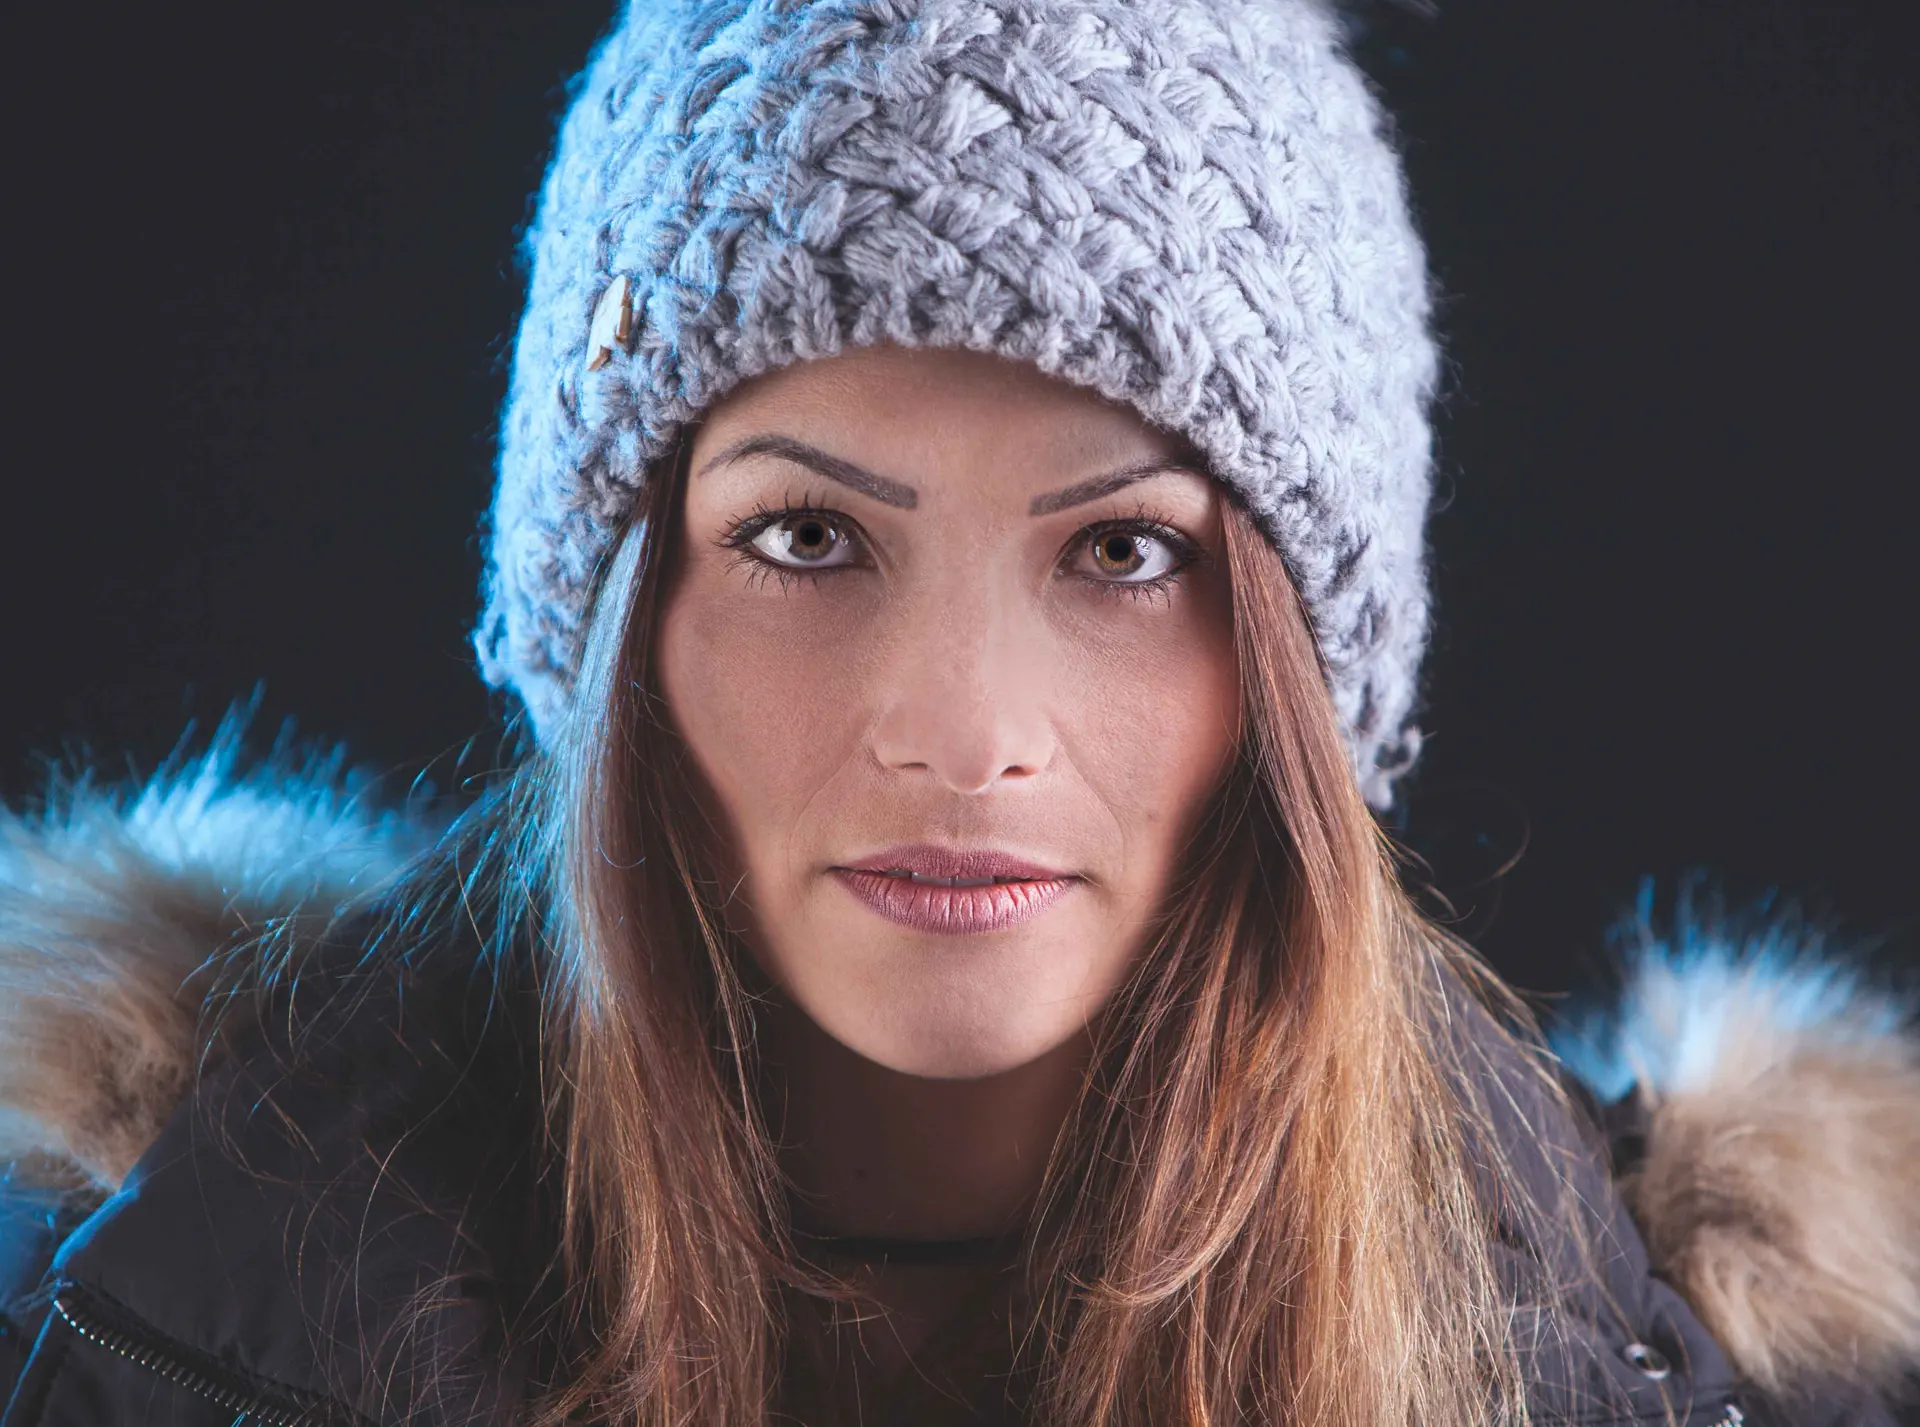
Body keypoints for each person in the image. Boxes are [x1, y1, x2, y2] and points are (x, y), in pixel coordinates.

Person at [2, 0, 1915, 1423]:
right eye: (809, 533)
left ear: (1309, 675)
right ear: (608, 625)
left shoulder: (1673, 1367)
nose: (964, 730)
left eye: (1125, 555)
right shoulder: (126, 1317)